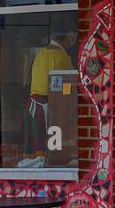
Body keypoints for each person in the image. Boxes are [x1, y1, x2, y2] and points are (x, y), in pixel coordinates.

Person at [19, 30, 76, 167]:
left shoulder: (41, 54)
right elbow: (68, 87)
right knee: (50, 153)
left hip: (34, 107)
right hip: (50, 109)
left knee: (36, 154)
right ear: (70, 36)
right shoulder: (61, 57)